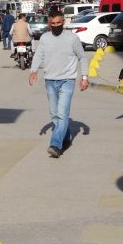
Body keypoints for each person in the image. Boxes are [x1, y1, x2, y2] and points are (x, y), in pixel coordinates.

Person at [28, 10, 89, 158]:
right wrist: (33, 71)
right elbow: (38, 55)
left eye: (58, 23)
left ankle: (55, 144)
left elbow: (82, 57)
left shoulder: (72, 38)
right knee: (54, 114)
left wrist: (85, 77)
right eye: (53, 23)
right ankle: (66, 137)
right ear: (49, 24)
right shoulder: (44, 38)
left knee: (62, 114)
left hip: (67, 80)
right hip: (50, 80)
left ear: (63, 22)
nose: (56, 26)